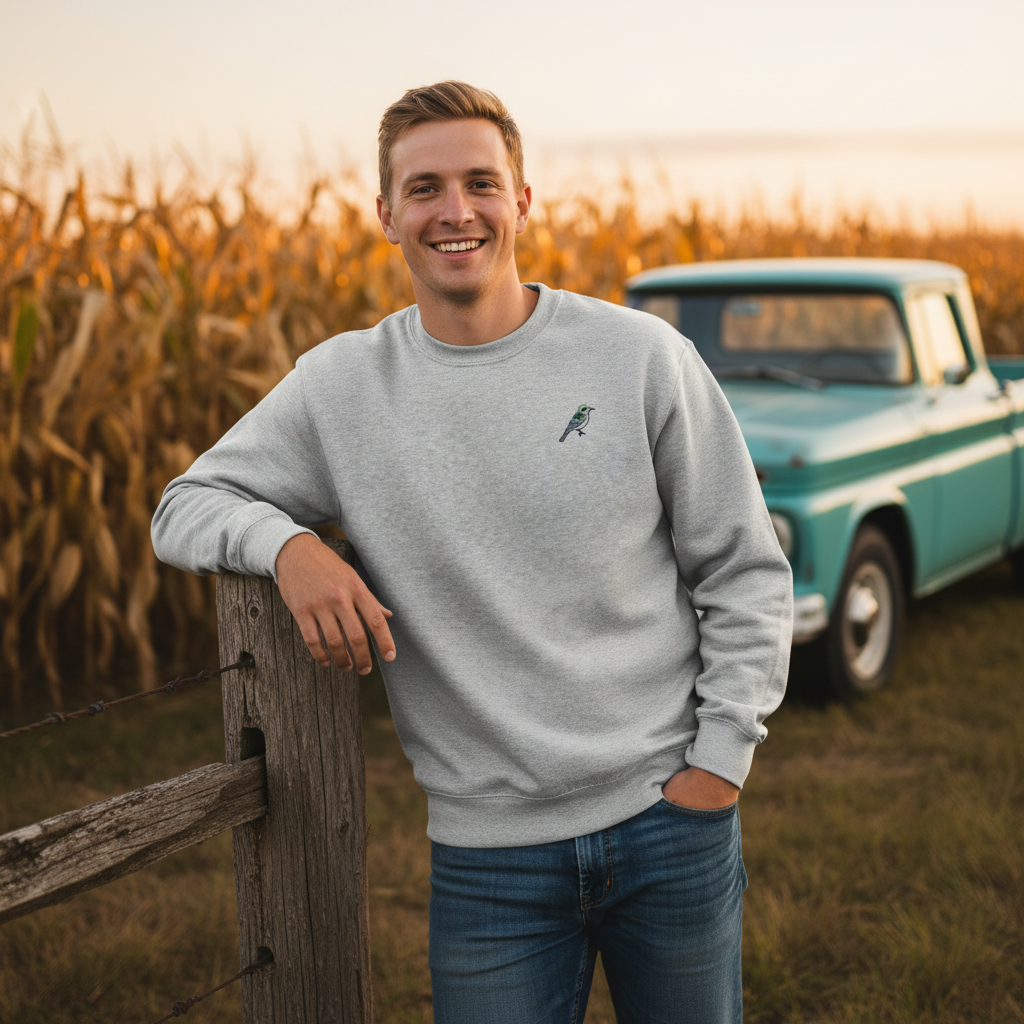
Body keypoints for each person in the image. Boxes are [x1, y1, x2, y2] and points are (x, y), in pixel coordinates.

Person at [151, 81, 793, 1024]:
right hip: (489, 860)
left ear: (522, 201)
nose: (455, 212)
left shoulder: (639, 358)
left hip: (670, 820)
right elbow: (185, 504)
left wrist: (719, 762)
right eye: (424, 189)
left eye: (481, 183)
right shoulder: (342, 386)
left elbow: (743, 566)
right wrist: (288, 545)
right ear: (386, 215)